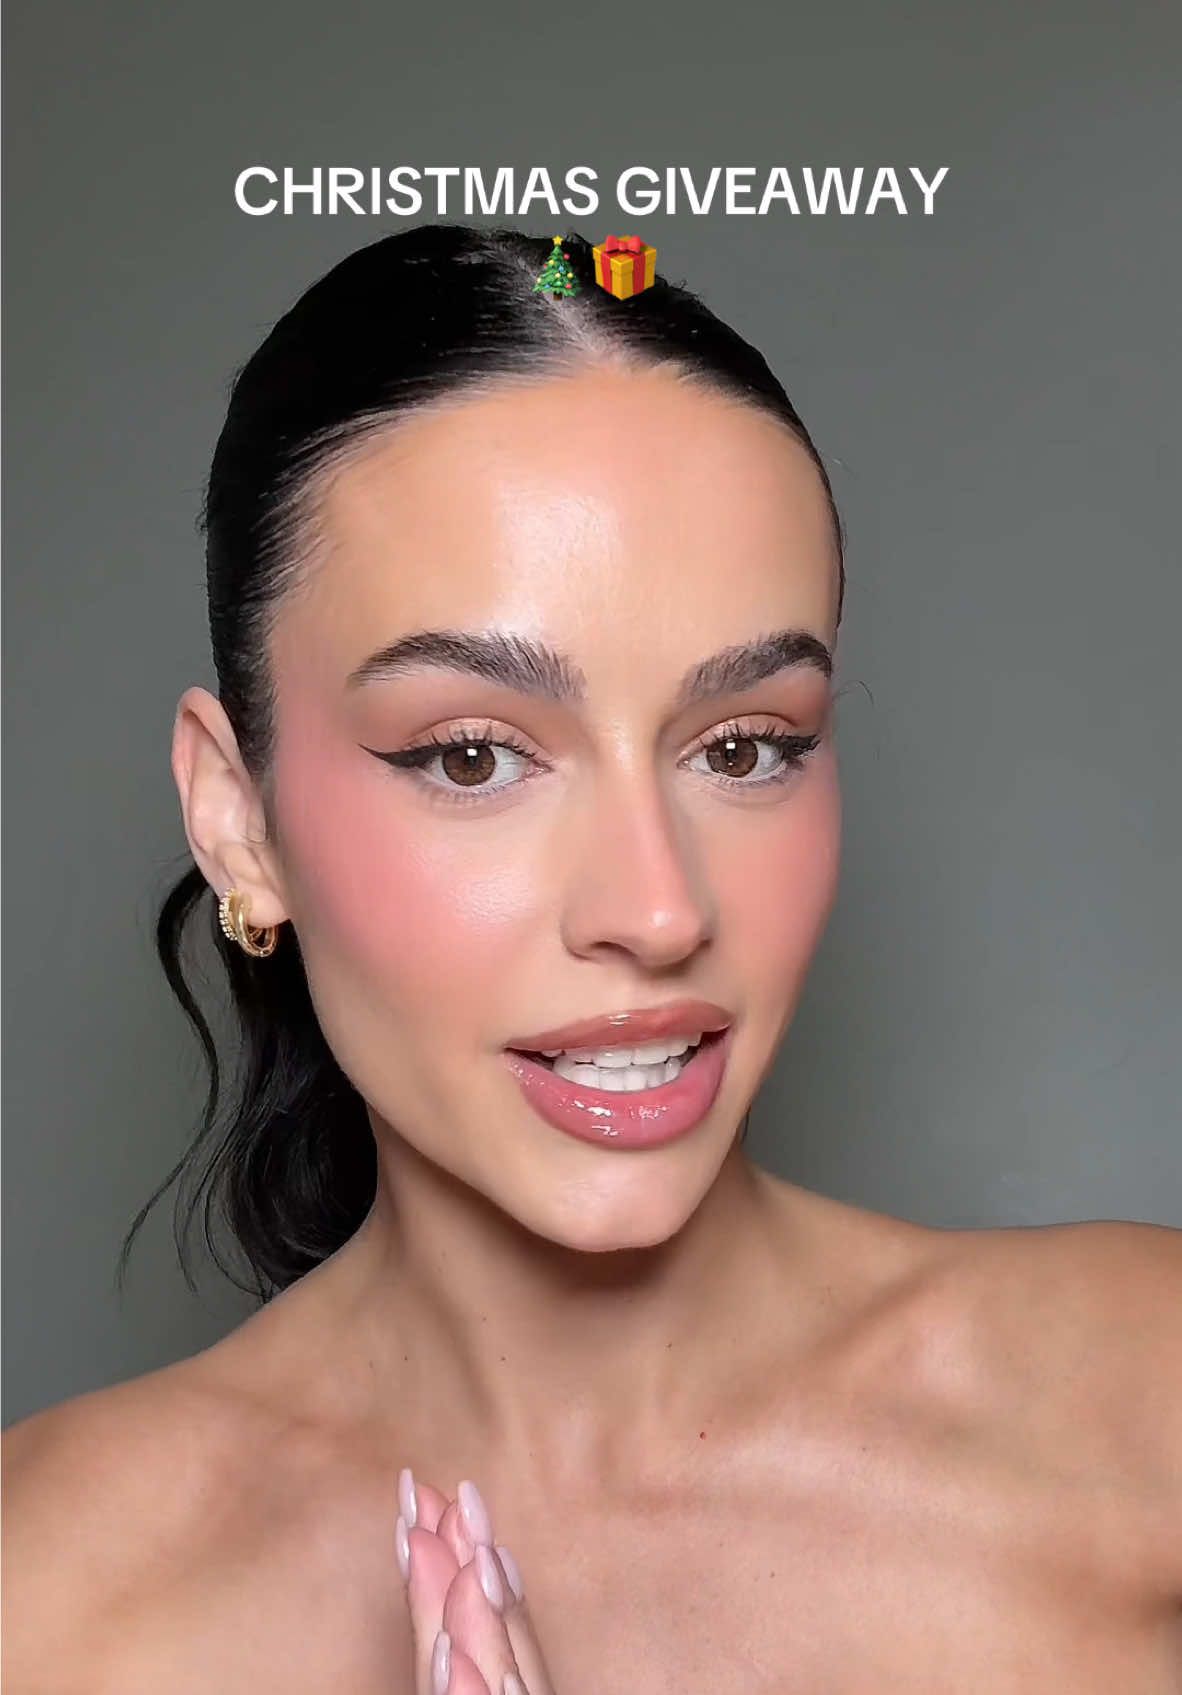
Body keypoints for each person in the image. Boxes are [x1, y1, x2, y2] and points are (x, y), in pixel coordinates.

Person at [3, 224, 1180, 1695]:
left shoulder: (1143, 1412)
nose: (657, 909)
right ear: (240, 823)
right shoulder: (45, 1600)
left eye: (743, 746)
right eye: (472, 755)